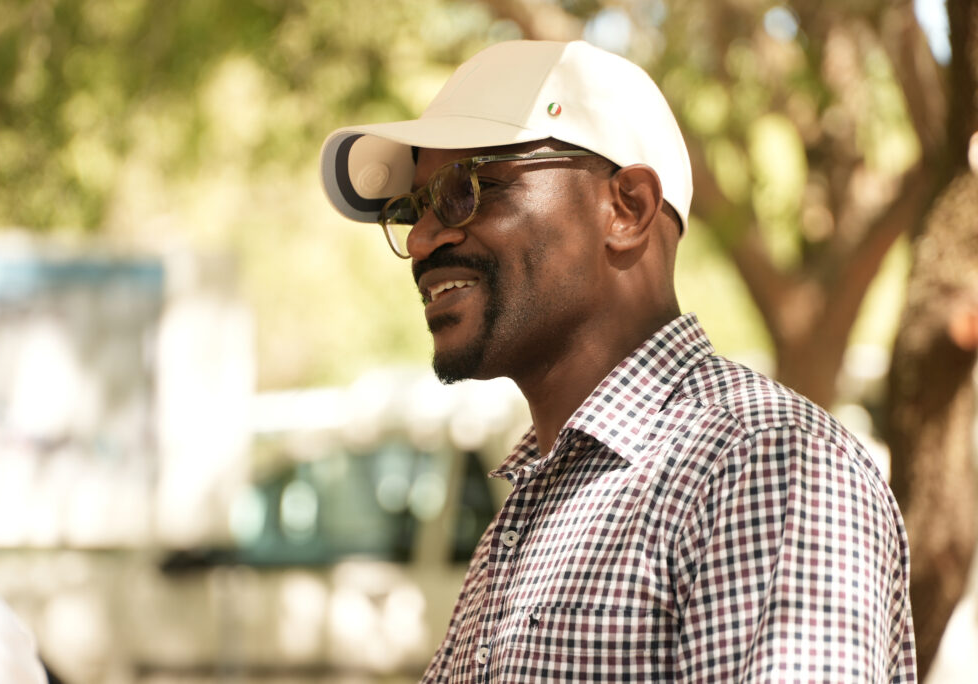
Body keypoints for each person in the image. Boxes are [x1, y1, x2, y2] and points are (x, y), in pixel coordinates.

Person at [320, 40, 916, 682]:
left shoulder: (762, 467)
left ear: (626, 209)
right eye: (414, 209)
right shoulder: (525, 517)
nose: (420, 238)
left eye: (465, 189)